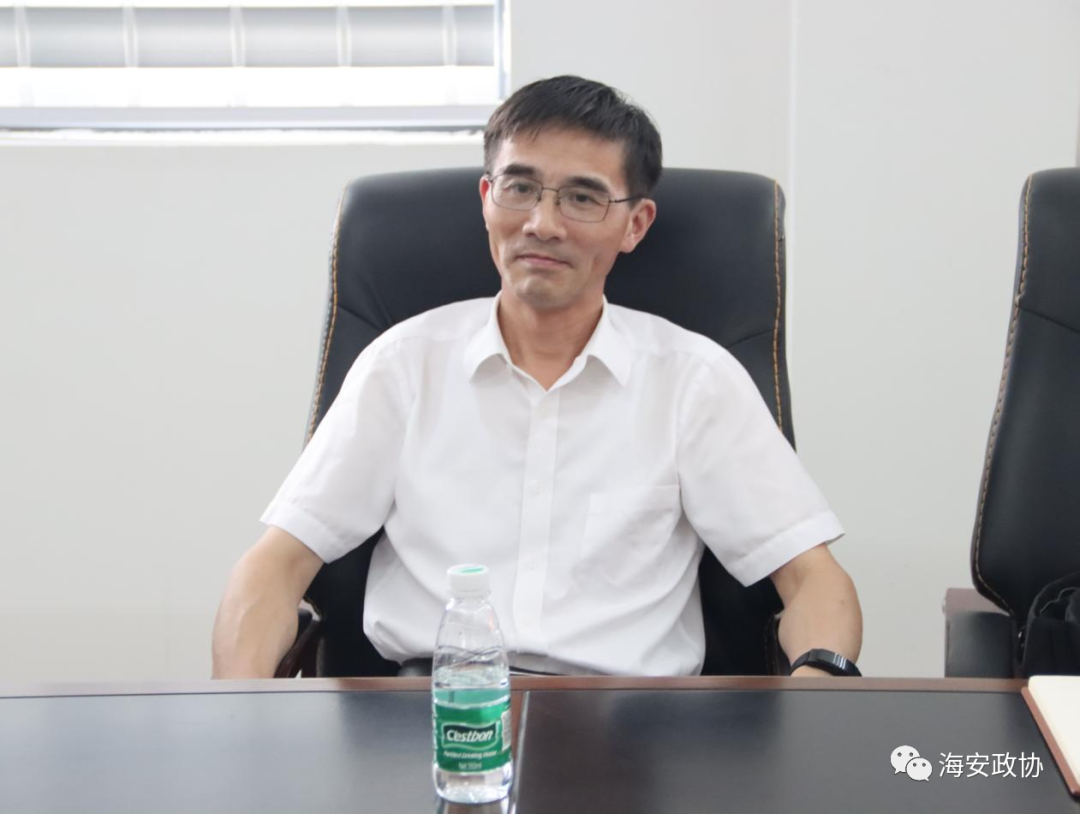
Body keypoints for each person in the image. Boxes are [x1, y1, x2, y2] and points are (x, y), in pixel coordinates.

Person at [211, 75, 862, 679]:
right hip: (427, 715)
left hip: (637, 730)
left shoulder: (694, 381)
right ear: (487, 198)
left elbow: (814, 581)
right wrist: (236, 719)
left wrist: (815, 696)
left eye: (582, 198)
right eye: (520, 188)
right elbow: (276, 566)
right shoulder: (404, 364)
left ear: (634, 224)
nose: (542, 225)